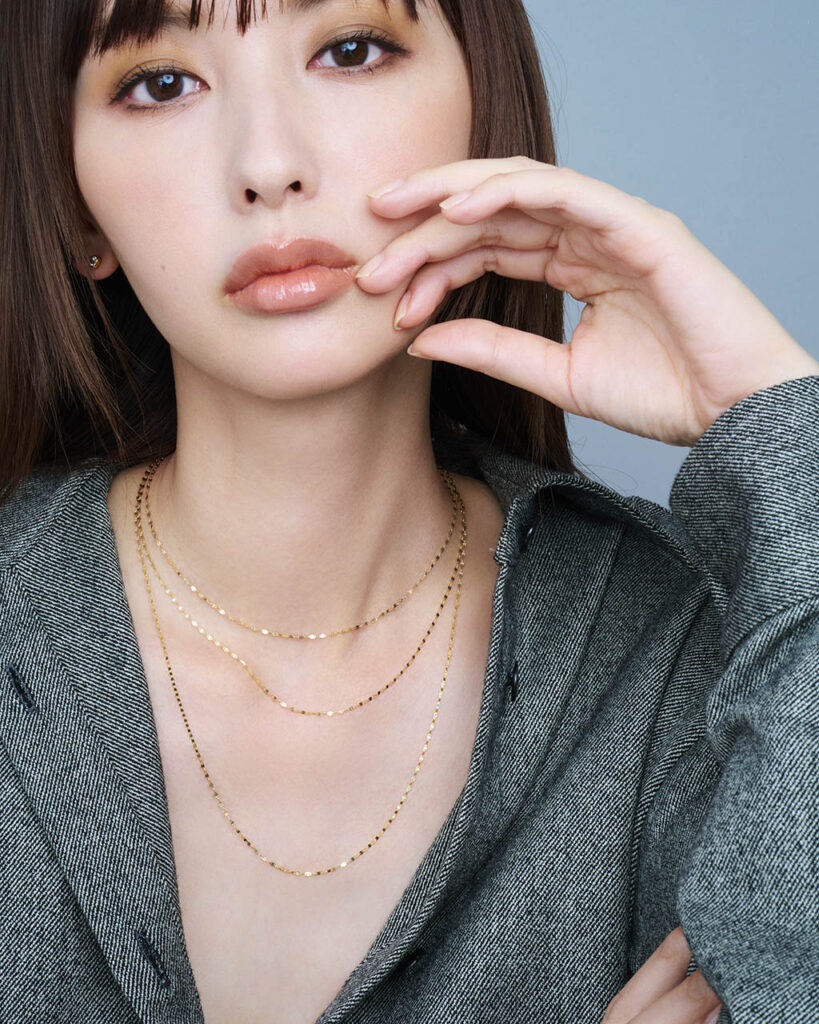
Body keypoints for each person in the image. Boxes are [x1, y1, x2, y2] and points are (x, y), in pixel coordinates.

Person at [0, 0, 815, 1022]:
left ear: (483, 113)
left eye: (349, 50)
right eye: (162, 84)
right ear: (77, 210)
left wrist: (778, 423)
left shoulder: (693, 659)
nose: (269, 166)